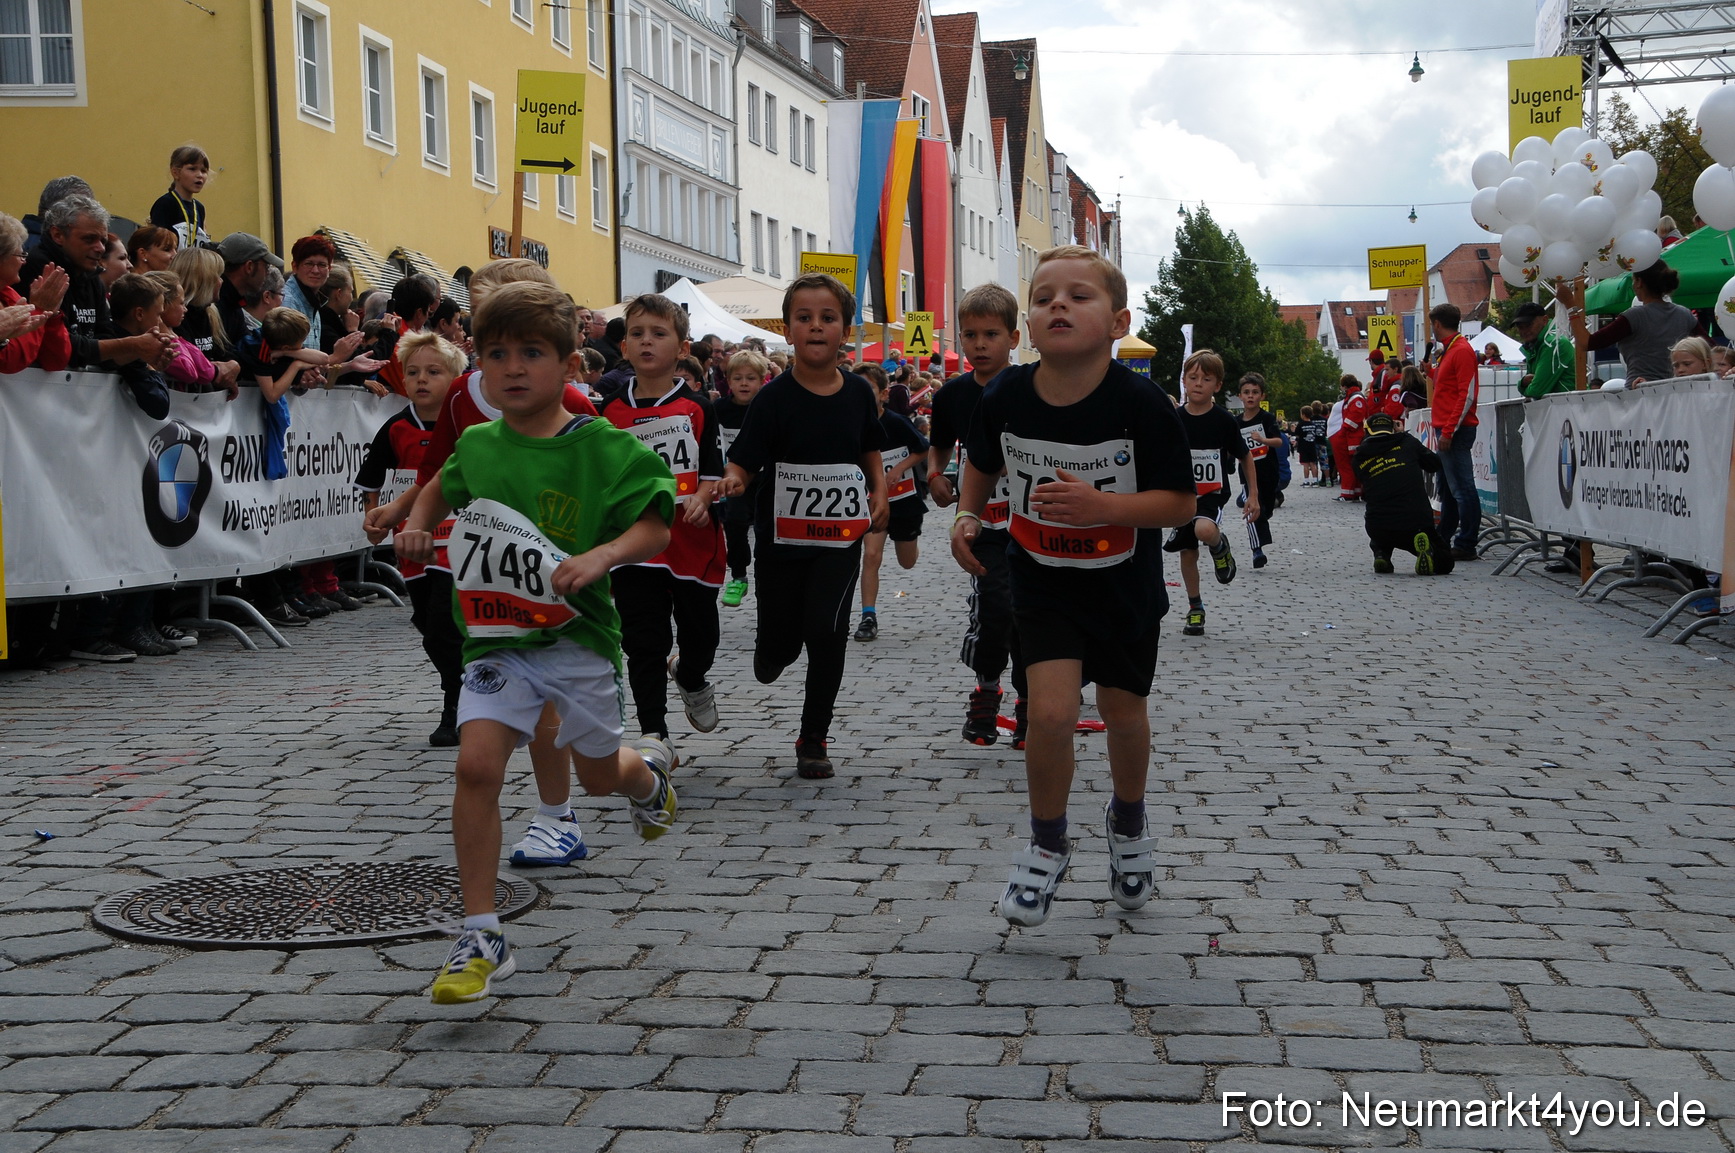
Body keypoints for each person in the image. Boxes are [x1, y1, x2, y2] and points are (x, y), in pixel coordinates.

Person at [394, 281, 679, 1004]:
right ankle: (481, 932)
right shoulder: (480, 444)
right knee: (476, 767)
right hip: (495, 638)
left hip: (579, 640)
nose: (512, 368)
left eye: (530, 353)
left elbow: (656, 524)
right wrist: (418, 522)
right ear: (478, 369)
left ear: (567, 364)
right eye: (495, 355)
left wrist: (603, 555)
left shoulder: (600, 446)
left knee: (599, 778)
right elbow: (441, 485)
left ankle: (645, 779)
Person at [951, 245, 1194, 928]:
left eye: (1078, 296)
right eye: (1044, 296)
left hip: (1122, 585)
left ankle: (1128, 822)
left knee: (1121, 712)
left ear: (1117, 321)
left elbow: (1179, 503)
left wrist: (1106, 508)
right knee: (1050, 715)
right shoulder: (1004, 393)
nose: (1058, 303)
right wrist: (968, 514)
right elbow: (981, 464)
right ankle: (1046, 842)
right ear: (1028, 324)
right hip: (1041, 576)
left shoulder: (1141, 404)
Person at [364, 257, 600, 866]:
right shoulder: (467, 394)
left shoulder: (573, 401)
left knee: (549, 700)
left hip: (553, 567)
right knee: (495, 690)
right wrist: (403, 512)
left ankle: (558, 813)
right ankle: (524, 804)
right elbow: (441, 469)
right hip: (485, 567)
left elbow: (601, 481)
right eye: (481, 319)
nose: (498, 346)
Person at [715, 273, 888, 780]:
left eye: (827, 318)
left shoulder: (857, 392)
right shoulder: (773, 398)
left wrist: (878, 491)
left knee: (827, 629)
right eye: (804, 318)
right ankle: (770, 651)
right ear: (788, 331)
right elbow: (745, 459)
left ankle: (814, 737)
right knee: (783, 642)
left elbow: (869, 448)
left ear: (844, 330)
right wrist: (733, 479)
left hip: (840, 537)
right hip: (781, 538)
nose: (816, 326)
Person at [598, 293, 727, 754]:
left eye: (659, 333)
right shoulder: (609, 411)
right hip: (636, 544)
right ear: (625, 346)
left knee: (701, 639)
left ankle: (690, 676)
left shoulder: (697, 407)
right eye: (637, 334)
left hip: (691, 542)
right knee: (642, 641)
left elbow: (713, 471)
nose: (646, 342)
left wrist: (703, 497)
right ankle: (655, 735)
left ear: (681, 347)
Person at [357, 331, 465, 744]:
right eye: (413, 372)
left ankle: (455, 704)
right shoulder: (396, 427)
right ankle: (461, 681)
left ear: (455, 378)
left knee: (444, 620)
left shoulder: (467, 427)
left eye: (433, 372)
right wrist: (372, 517)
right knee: (427, 622)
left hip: (460, 542)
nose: (421, 380)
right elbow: (370, 479)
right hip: (413, 544)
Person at [1165, 350, 1252, 638]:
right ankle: (1195, 607)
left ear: (1217, 385)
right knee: (1187, 553)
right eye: (1193, 378)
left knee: (1204, 528)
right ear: (1184, 382)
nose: (1198, 383)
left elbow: (1245, 456)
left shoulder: (1224, 420)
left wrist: (1253, 495)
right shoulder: (1174, 419)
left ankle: (1219, 546)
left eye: (1206, 378)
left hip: (1211, 494)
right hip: (1181, 494)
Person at [853, 362, 928, 642]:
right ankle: (868, 617)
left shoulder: (896, 422)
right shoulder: (852, 423)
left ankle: (911, 542)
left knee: (907, 561)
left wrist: (898, 469)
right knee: (871, 556)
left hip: (904, 500)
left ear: (883, 394)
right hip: (872, 502)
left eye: (868, 389)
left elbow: (923, 448)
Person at [1562, 261, 1703, 385]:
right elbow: (1709, 347)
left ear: (1639, 282)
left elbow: (1586, 342)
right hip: (1676, 390)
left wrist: (1570, 306)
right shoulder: (1684, 314)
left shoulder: (1634, 316)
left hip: (1640, 390)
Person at [1353, 412, 1454, 577]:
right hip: (1415, 521)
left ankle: (1381, 555)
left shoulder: (1359, 455)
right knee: (1446, 563)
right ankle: (1430, 552)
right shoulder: (1407, 442)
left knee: (1380, 525)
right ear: (1392, 428)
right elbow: (1434, 464)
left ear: (1368, 431)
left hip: (1378, 524)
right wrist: (1402, 436)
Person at [1425, 303, 1480, 561]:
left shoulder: (1460, 350)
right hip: (1447, 426)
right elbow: (1450, 386)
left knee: (1461, 488)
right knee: (1448, 487)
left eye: (1432, 325)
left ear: (1437, 324)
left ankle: (1467, 542)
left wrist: (1448, 430)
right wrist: (1432, 373)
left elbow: (1465, 395)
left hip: (1454, 429)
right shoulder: (1450, 350)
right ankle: (1444, 536)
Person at [715, 349, 766, 608]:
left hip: (766, 476)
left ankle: (769, 577)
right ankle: (738, 575)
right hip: (734, 477)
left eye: (750, 378)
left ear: (761, 380)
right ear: (728, 381)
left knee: (767, 529)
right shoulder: (719, 409)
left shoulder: (767, 407)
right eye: (738, 378)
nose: (744, 384)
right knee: (734, 523)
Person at [144, 270, 236, 398]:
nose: (185, 309)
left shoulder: (169, 334)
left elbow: (199, 364)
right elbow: (190, 372)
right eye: (181, 303)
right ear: (163, 306)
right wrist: (168, 332)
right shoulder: (158, 340)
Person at [0, 212, 71, 374]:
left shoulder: (9, 295)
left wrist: (50, 315)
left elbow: (56, 361)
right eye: (20, 254)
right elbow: (10, 360)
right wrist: (39, 308)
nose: (24, 261)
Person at [1234, 372, 1281, 568]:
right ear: (1240, 396)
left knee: (1265, 509)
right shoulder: (1236, 422)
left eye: (1255, 392)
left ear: (1262, 396)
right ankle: (1257, 550)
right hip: (1246, 474)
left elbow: (1278, 441)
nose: (1250, 396)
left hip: (1268, 472)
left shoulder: (1267, 418)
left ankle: (1262, 519)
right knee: (1253, 510)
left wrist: (1262, 440)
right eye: (1246, 392)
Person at [149, 145, 212, 245]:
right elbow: (156, 243)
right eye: (192, 169)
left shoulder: (199, 208)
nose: (199, 175)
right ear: (176, 173)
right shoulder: (165, 204)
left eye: (203, 171)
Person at [1510, 301, 1574, 399]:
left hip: (1566, 408)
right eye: (1520, 327)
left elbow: (1536, 391)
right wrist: (1523, 384)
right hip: (1564, 407)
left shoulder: (1552, 344)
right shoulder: (1539, 345)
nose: (1524, 331)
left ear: (1544, 320)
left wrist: (1521, 385)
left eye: (1528, 325)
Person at [1326, 375, 1367, 500]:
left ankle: (1348, 493)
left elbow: (1354, 417)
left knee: (1346, 466)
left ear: (1344, 386)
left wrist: (1343, 431)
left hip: (1351, 437)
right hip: (1350, 437)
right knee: (1350, 466)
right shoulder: (1353, 397)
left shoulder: (1355, 398)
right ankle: (1354, 491)